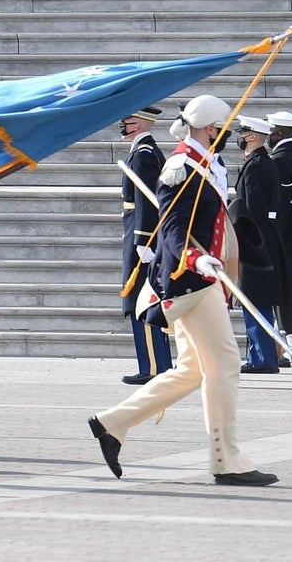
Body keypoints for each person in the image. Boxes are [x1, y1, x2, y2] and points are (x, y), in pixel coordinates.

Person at [88, 95, 278, 487]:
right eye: (223, 128)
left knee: (192, 370)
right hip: (191, 280)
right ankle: (227, 460)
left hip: (205, 277)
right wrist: (195, 258)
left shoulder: (204, 163)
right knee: (224, 363)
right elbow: (172, 227)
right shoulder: (181, 166)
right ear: (210, 128)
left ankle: (113, 423)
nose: (227, 134)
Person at [117, 105, 172, 385]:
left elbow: (146, 199)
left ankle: (153, 366)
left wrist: (143, 239)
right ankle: (156, 364)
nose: (122, 124)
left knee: (142, 298)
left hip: (141, 235)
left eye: (126, 120)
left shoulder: (144, 154)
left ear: (138, 124)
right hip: (137, 230)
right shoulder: (142, 151)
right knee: (143, 297)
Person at [230, 116, 284, 374]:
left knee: (255, 301)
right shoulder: (261, 163)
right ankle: (261, 356)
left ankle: (262, 358)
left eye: (242, 134)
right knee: (257, 300)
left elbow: (251, 212)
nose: (239, 138)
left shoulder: (256, 166)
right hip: (261, 242)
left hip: (254, 244)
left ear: (251, 136)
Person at [265, 111, 292, 359]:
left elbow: (280, 204)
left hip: (290, 236)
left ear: (278, 133)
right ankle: (288, 345)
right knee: (290, 290)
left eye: (270, 132)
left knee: (287, 290)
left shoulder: (281, 161)